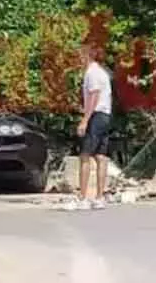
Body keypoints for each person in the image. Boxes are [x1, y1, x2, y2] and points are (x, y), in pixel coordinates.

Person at [67, 43, 113, 210]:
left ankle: (83, 197)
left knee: (85, 155)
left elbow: (94, 95)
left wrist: (85, 120)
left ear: (87, 56)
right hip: (105, 115)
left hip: (96, 115)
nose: (78, 59)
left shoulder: (91, 73)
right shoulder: (102, 72)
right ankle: (99, 197)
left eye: (80, 56)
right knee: (101, 156)